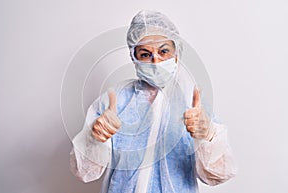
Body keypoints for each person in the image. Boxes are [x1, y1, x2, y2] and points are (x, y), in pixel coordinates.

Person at [70, 10, 237, 193]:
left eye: (164, 51)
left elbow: (219, 175)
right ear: (134, 58)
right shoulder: (114, 102)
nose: (156, 60)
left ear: (176, 53)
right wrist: (94, 140)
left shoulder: (193, 105)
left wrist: (208, 135)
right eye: (145, 54)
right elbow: (84, 172)